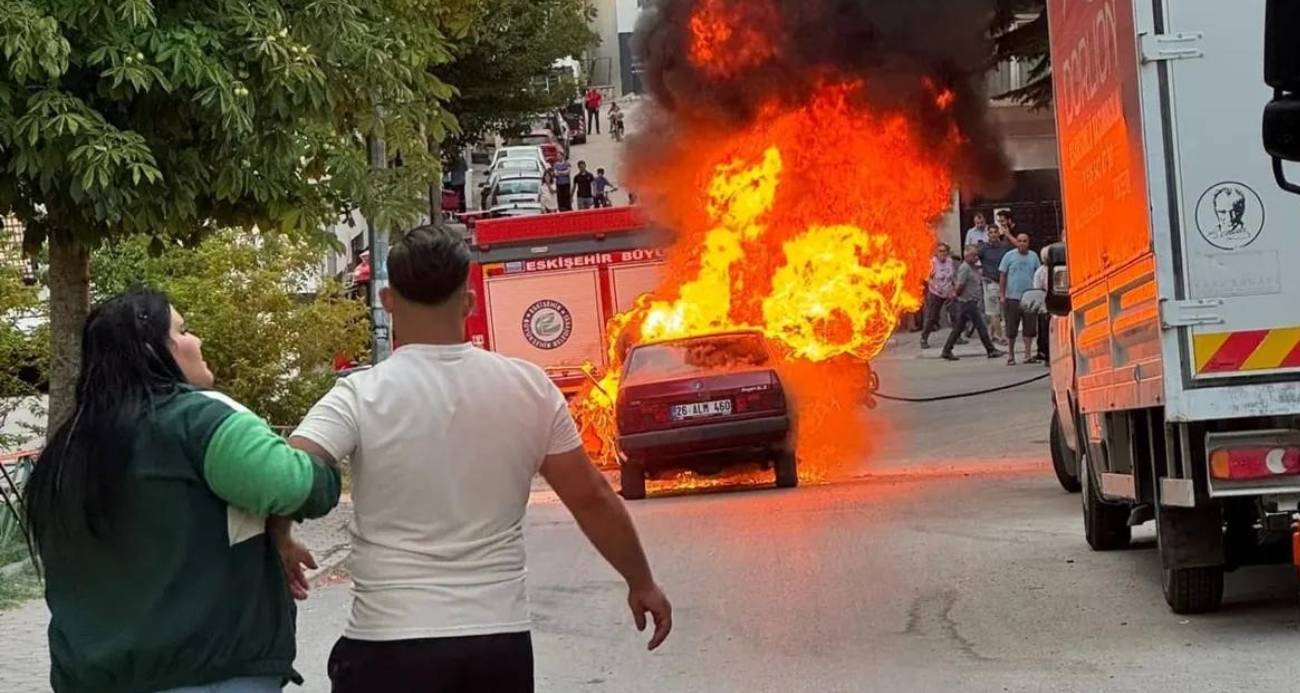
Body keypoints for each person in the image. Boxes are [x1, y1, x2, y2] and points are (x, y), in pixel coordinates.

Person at [286, 225, 672, 693]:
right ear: (468, 302)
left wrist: (281, 535)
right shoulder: (530, 388)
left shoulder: (358, 395)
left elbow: (287, 472)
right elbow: (591, 498)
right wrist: (641, 581)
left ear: (387, 301)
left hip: (388, 640)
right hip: (497, 644)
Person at [23, 287, 341, 693]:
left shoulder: (65, 449)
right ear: (152, 349)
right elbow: (298, 485)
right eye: (184, 330)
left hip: (89, 678)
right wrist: (324, 462)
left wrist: (276, 533)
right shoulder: (200, 421)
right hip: (208, 674)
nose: (197, 340)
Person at [941, 245, 1006, 361]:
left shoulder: (973, 267)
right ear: (967, 256)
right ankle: (991, 350)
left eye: (976, 255)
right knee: (981, 326)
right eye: (974, 255)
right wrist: (957, 295)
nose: (976, 257)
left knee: (958, 328)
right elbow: (960, 285)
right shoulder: (965, 268)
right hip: (967, 302)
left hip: (970, 301)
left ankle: (946, 350)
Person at [999, 232, 1043, 365]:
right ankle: (1010, 355)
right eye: (1020, 241)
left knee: (1029, 328)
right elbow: (1003, 275)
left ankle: (1027, 355)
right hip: (1012, 297)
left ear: (1028, 243)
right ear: (1016, 242)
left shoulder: (1033, 256)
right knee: (1011, 328)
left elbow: (1039, 274)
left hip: (1029, 298)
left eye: (1025, 241)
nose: (1022, 243)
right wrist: (1002, 294)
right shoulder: (1009, 256)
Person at [976, 224, 1014, 344]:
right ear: (987, 234)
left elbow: (1017, 247)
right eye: (991, 232)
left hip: (1004, 282)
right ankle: (1000, 337)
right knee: (994, 311)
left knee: (1001, 311)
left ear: (998, 233)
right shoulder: (983, 249)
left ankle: (991, 334)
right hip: (990, 282)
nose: (993, 235)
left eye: (995, 232)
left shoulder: (1004, 246)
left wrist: (1008, 234)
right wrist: (978, 275)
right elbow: (971, 257)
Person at [920, 242, 958, 349]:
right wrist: (935, 286)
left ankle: (957, 336)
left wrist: (955, 289)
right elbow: (927, 278)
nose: (943, 253)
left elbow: (953, 276)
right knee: (932, 317)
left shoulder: (950, 261)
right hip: (936, 293)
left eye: (944, 251)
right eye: (940, 251)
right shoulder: (932, 263)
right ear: (936, 253)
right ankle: (924, 338)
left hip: (948, 292)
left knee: (955, 315)